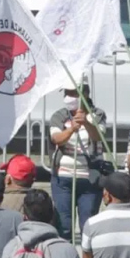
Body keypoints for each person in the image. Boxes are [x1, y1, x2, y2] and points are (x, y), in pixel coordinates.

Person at [49, 83, 107, 240]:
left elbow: (98, 137)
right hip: (63, 178)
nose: (68, 98)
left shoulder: (98, 114)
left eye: (72, 94)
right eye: (66, 94)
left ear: (84, 95)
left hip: (90, 178)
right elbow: (56, 139)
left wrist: (86, 123)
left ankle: (87, 255)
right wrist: (71, 129)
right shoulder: (59, 116)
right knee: (64, 225)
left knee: (88, 225)